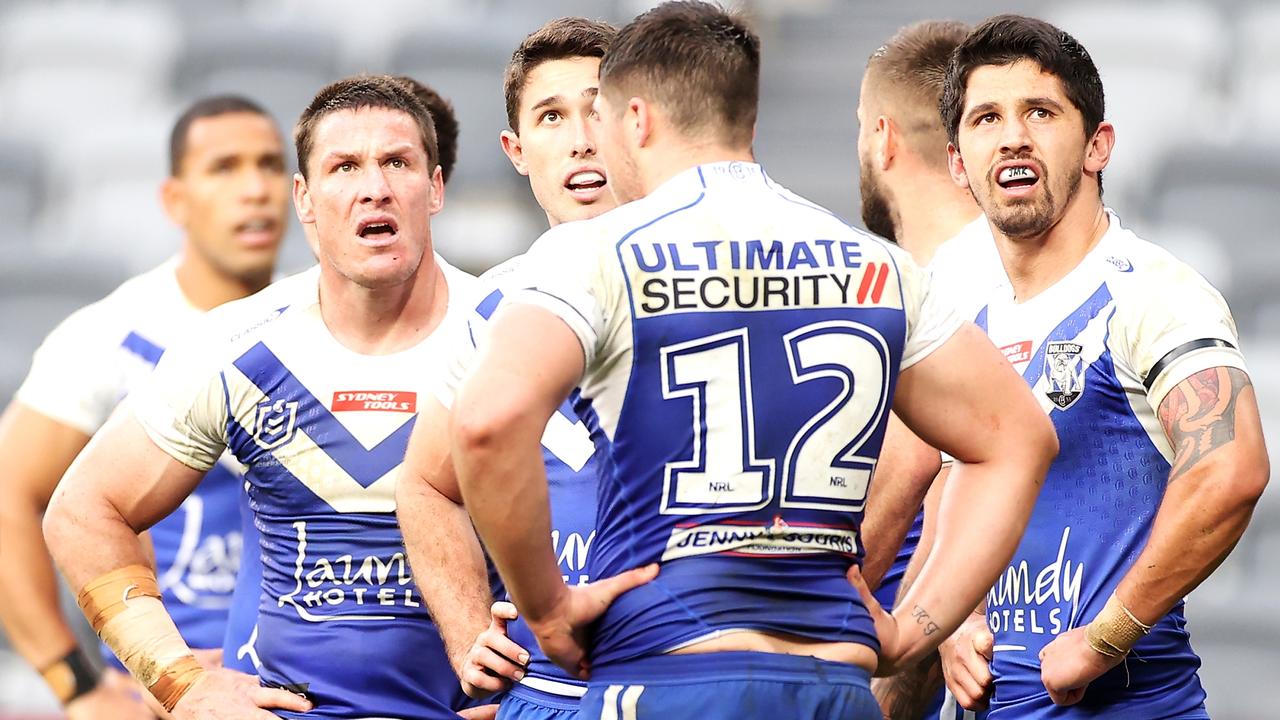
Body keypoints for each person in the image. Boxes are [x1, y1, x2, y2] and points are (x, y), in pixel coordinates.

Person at [446, 3, 1057, 718]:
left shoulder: (594, 254)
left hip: (671, 674)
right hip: (833, 686)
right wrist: (914, 629)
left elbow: (486, 423)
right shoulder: (876, 264)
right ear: (748, 122)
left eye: (601, 118)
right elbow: (1019, 439)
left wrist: (546, 608)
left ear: (635, 120)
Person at [43, 75, 487, 720]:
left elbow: (603, 521)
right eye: (344, 167)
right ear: (304, 198)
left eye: (397, 162)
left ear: (436, 186)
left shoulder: (513, 331)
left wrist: (551, 688)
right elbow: (82, 513)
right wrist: (178, 681)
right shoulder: (236, 345)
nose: (373, 187)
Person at [928, 15, 1269, 718]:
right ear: (959, 163)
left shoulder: (1151, 289)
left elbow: (1231, 469)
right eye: (987, 117)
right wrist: (948, 615)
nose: (1013, 134)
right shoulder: (957, 307)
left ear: (1097, 145)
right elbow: (946, 474)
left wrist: (1107, 638)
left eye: (1041, 112)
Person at [0, 95, 287, 718]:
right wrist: (75, 686)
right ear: (175, 200)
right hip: (168, 693)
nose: (254, 189)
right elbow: (8, 495)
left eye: (268, 165)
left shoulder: (326, 322)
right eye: (224, 168)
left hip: (305, 690)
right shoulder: (111, 335)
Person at [397, 17, 622, 720]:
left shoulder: (724, 279)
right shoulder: (494, 306)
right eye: (551, 117)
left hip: (694, 683)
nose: (581, 138)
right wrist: (470, 636)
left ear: (643, 124)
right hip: (546, 696)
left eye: (599, 109)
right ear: (517, 151)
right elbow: (426, 485)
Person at [853, 20, 988, 720]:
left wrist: (809, 620)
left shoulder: (926, 297)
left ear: (882, 137)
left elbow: (913, 472)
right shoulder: (1038, 277)